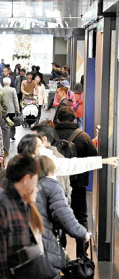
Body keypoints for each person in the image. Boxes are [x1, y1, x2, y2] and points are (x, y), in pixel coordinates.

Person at [35, 155, 90, 279]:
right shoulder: (52, 186)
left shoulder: (27, 185)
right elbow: (64, 216)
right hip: (45, 241)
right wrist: (82, 233)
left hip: (28, 246)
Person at [54, 108, 97, 257]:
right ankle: (81, 255)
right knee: (81, 218)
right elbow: (93, 158)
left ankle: (61, 254)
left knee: (58, 220)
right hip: (78, 186)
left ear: (58, 120)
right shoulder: (83, 137)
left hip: (56, 187)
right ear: (74, 120)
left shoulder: (52, 135)